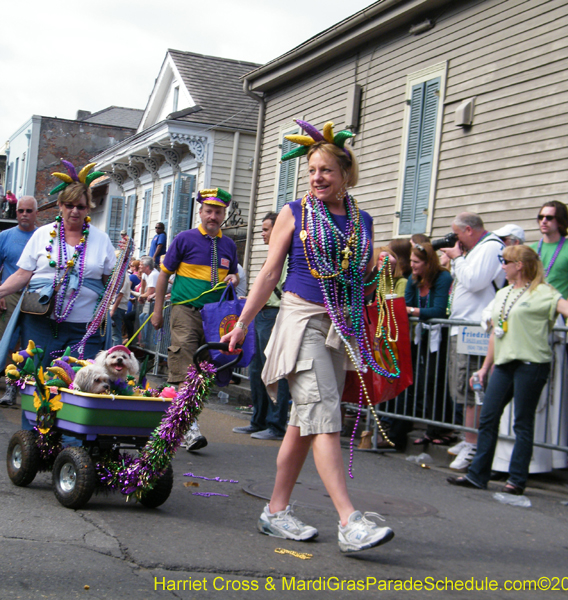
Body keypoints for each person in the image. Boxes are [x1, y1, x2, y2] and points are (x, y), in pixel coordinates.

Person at [221, 120, 394, 553]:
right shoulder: (294, 212)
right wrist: (242, 322)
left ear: (345, 174)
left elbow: (360, 284)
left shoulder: (363, 220)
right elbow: (269, 273)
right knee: (325, 416)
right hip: (301, 321)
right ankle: (349, 521)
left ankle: (275, 511)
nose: (317, 177)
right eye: (312, 170)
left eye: (326, 170)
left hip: (339, 325)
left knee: (303, 424)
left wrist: (378, 275)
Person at [447, 245, 568, 495]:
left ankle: (517, 480)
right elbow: (496, 332)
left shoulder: (545, 293)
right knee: (488, 417)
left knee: (522, 422)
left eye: (505, 262)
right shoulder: (503, 293)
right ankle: (477, 475)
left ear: (519, 265)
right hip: (504, 364)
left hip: (531, 364)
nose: (502, 266)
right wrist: (485, 367)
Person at [0, 163, 116, 381]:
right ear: (60, 205)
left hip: (84, 327)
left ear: (88, 208)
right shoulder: (43, 235)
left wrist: (117, 279)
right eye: (69, 205)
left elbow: (109, 283)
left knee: (80, 382)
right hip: (40, 322)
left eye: (81, 206)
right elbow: (22, 274)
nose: (75, 211)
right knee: (36, 378)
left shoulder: (101, 239)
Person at [152, 188, 240, 452]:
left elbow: (233, 275)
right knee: (184, 365)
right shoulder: (184, 239)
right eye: (208, 211)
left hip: (215, 317)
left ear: (223, 215)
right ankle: (189, 429)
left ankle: (175, 419)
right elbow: (164, 275)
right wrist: (158, 310)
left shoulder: (229, 245)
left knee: (203, 373)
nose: (213, 216)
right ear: (200, 213)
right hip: (185, 310)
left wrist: (234, 278)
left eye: (218, 212)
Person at [440, 213, 505, 470]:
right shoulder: (475, 251)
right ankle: (467, 436)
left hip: (476, 330)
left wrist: (457, 259)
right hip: (463, 329)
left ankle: (472, 443)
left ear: (469, 230)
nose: (455, 240)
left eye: (457, 234)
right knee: (461, 386)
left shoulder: (490, 247)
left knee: (471, 387)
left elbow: (475, 282)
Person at [387, 242, 453, 448]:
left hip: (439, 336)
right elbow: (405, 304)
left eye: (416, 262)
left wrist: (412, 311)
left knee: (434, 380)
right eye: (411, 261)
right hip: (419, 335)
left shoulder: (443, 277)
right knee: (417, 380)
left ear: (428, 263)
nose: (412, 265)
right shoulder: (413, 280)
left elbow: (438, 310)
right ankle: (419, 427)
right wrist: (412, 310)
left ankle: (439, 428)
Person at [233, 212, 290, 441]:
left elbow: (282, 289)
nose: (262, 234)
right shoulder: (274, 255)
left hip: (274, 315)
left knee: (274, 371)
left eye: (266, 229)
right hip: (262, 314)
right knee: (257, 370)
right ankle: (258, 421)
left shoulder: (285, 256)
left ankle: (276, 424)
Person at [0, 195, 38, 406]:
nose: (24, 214)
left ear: (36, 213)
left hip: (36, 296)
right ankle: (10, 387)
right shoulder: (4, 237)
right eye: (20, 211)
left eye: (28, 211)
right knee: (8, 343)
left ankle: (29, 388)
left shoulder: (43, 236)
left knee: (32, 344)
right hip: (11, 294)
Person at [534, 201, 568, 304]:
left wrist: (565, 310)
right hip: (532, 307)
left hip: (557, 309)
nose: (544, 221)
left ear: (560, 221)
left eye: (549, 218)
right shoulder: (531, 250)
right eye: (541, 217)